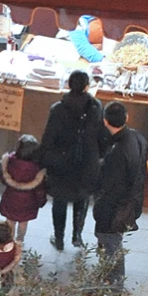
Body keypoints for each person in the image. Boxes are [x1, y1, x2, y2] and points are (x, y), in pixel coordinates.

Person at [40, 70, 103, 249]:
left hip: (61, 163)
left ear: (68, 85)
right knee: (81, 199)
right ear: (86, 86)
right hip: (87, 162)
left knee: (59, 201)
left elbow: (48, 138)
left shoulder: (57, 109)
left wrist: (44, 159)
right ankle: (77, 236)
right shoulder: (96, 107)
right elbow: (100, 135)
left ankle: (59, 239)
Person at [91, 101, 148, 281]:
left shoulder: (116, 153)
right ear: (127, 118)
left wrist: (99, 210)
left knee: (111, 245)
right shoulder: (138, 138)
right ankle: (107, 276)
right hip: (132, 202)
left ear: (105, 121)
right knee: (114, 242)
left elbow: (111, 189)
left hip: (114, 210)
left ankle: (113, 286)